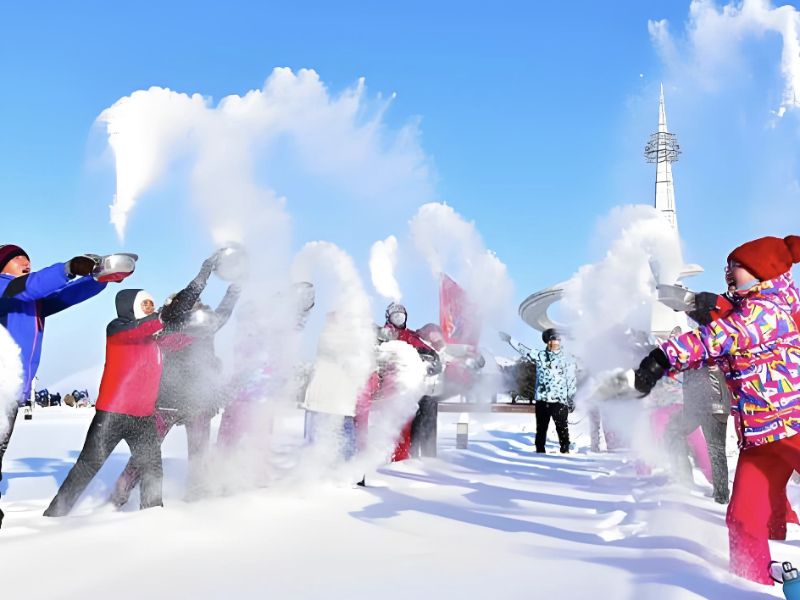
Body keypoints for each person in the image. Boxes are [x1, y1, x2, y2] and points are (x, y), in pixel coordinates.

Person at [634, 235, 800, 586]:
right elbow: (721, 330)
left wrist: (662, 358)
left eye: (735, 268)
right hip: (761, 435)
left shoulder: (767, 312)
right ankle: (749, 582)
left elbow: (720, 337)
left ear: (760, 271)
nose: (728, 273)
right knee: (742, 518)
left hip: (792, 424)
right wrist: (691, 303)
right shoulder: (750, 307)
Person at [44, 253, 221, 517]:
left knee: (152, 471)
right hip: (113, 414)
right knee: (87, 467)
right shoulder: (118, 329)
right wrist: (172, 310)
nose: (153, 308)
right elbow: (163, 318)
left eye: (152, 303)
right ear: (132, 307)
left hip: (144, 417)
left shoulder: (156, 337)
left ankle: (151, 518)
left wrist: (203, 276)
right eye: (146, 304)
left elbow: (174, 315)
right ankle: (55, 516)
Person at [0, 245, 108, 527]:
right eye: (17, 258)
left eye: (28, 258)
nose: (27, 261)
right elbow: (31, 286)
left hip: (10, 392)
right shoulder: (5, 290)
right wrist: (68, 269)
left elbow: (65, 296)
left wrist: (99, 278)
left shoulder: (30, 301)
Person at [111, 281, 240, 506]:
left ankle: (196, 496)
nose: (197, 307)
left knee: (197, 452)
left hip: (197, 400)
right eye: (192, 303)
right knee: (147, 450)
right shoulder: (165, 326)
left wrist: (233, 291)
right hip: (168, 400)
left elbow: (224, 313)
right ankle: (121, 491)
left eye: (199, 303)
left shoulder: (204, 324)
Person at [500, 328, 577, 454]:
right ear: (548, 342)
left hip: (559, 401)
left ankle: (565, 451)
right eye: (553, 340)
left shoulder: (566, 359)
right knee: (541, 429)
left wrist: (571, 398)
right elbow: (524, 350)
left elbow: (571, 379)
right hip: (542, 400)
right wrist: (510, 340)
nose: (556, 343)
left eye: (558, 340)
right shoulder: (541, 356)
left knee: (562, 428)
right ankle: (540, 452)